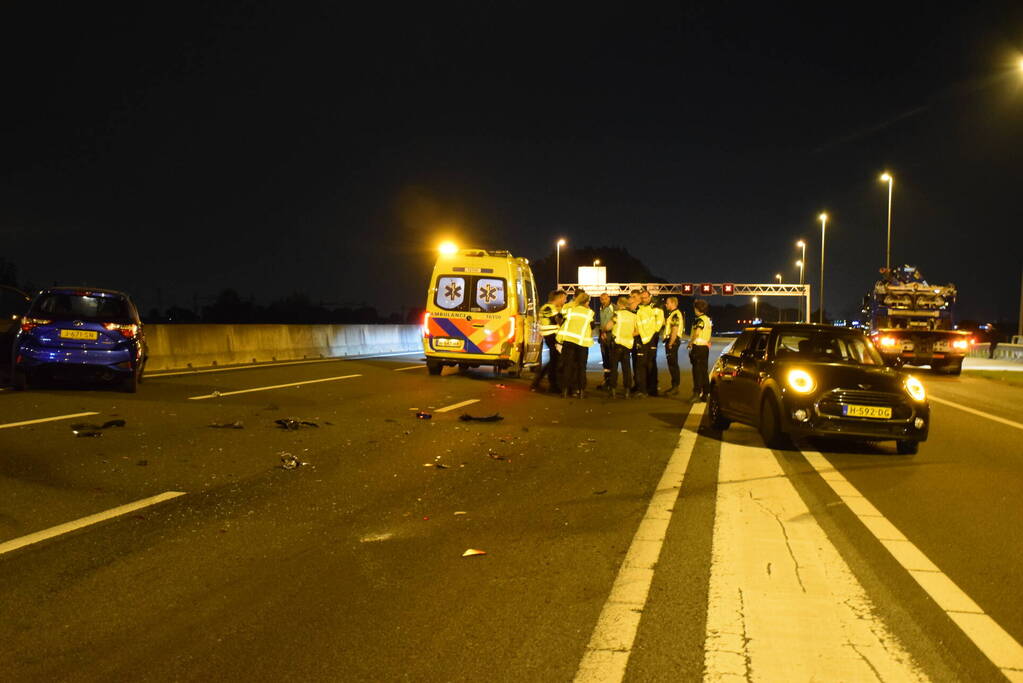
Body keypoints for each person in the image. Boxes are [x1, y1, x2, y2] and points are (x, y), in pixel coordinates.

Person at [555, 291, 595, 398]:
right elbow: (593, 325)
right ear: (586, 302)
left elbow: (559, 317)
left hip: (568, 341)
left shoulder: (570, 310)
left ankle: (564, 390)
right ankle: (581, 391)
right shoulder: (589, 313)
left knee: (568, 366)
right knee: (581, 367)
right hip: (582, 343)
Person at [531, 290, 567, 393]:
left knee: (554, 361)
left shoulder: (549, 307)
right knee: (555, 361)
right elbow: (559, 320)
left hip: (550, 336)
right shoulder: (548, 308)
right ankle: (550, 385)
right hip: (551, 336)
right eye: (564, 298)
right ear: (559, 298)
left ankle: (542, 383)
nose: (565, 301)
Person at [634, 288, 665, 397]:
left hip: (651, 339)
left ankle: (652, 389)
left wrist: (653, 334)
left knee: (651, 364)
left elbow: (660, 322)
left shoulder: (656, 307)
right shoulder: (640, 308)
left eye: (645, 297)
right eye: (641, 298)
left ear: (650, 297)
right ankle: (643, 389)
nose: (643, 299)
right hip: (642, 339)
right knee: (642, 364)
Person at [605, 295, 637, 399]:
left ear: (619, 304)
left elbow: (608, 326)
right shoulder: (633, 316)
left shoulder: (617, 314)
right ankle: (627, 390)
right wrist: (628, 335)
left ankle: (613, 389)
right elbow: (637, 331)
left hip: (617, 343)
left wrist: (604, 329)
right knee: (626, 368)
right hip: (627, 345)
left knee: (614, 368)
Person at [689, 299, 712, 402]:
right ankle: (706, 393)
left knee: (697, 372)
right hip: (705, 348)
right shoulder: (707, 319)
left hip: (698, 347)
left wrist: (690, 342)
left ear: (697, 309)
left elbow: (697, 332)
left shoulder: (699, 320)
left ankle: (696, 394)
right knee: (703, 371)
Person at [662, 297, 684, 395]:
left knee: (673, 365)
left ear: (673, 303)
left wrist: (670, 343)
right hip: (672, 341)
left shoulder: (675, 314)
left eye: (667, 303)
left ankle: (675, 387)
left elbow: (674, 330)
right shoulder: (673, 314)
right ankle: (674, 386)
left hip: (673, 342)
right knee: (672, 364)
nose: (666, 305)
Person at [597, 292, 614, 388]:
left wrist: (605, 332)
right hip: (603, 336)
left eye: (605, 298)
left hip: (610, 336)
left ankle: (611, 381)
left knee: (611, 359)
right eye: (602, 299)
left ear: (609, 298)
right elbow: (602, 322)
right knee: (605, 360)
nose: (603, 300)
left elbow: (612, 322)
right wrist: (601, 333)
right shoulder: (601, 308)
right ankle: (606, 380)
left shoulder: (613, 308)